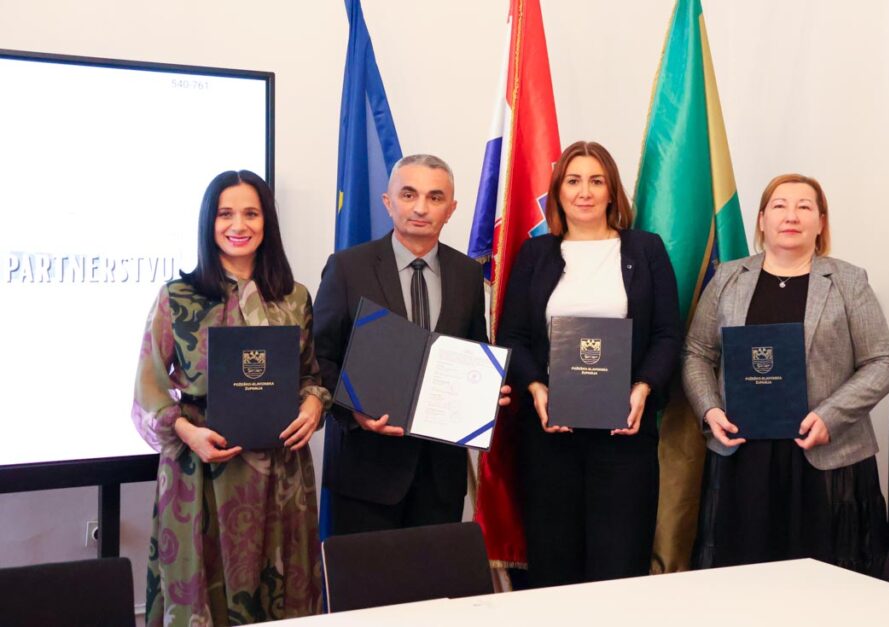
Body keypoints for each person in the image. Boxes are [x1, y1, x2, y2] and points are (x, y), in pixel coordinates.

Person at [132, 170, 330, 625]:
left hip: (281, 475)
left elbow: (310, 375)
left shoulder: (294, 298)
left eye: (251, 214)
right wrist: (187, 432)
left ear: (267, 222)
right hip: (201, 471)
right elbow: (148, 388)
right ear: (210, 221)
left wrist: (314, 403)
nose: (238, 225)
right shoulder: (177, 297)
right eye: (225, 214)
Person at [684, 173, 889, 574]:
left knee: (826, 584)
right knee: (742, 580)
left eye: (804, 207)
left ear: (821, 222)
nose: (791, 216)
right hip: (742, 455)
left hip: (826, 456)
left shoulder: (848, 281)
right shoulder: (728, 277)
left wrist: (830, 417)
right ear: (762, 219)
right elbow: (697, 352)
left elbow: (883, 362)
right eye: (780, 206)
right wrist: (710, 410)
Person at [497, 141, 681, 588]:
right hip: (550, 437)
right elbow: (513, 337)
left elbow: (667, 334)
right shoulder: (535, 254)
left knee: (620, 566)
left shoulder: (646, 249)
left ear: (612, 191)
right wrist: (536, 388)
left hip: (625, 436)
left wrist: (643, 387)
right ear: (557, 192)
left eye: (596, 181)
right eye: (573, 181)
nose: (585, 192)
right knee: (554, 565)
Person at [314, 154, 509, 534]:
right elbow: (319, 357)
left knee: (435, 573)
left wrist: (487, 389)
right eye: (408, 194)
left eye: (435, 197)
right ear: (388, 202)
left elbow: (474, 349)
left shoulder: (468, 274)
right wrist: (353, 412)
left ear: (451, 209)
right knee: (367, 575)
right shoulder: (348, 267)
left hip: (440, 474)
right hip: (365, 474)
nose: (421, 208)